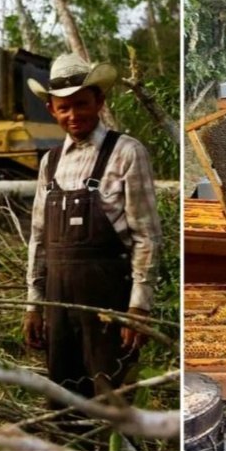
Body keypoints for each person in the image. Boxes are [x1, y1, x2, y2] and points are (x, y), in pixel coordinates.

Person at [22, 53, 161, 403]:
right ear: (51, 110)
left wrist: (138, 308)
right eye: (63, 108)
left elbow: (146, 236)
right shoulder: (49, 163)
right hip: (59, 305)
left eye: (81, 104)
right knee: (64, 401)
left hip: (110, 304)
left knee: (112, 399)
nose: (73, 115)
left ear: (99, 101)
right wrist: (33, 305)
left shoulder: (127, 153)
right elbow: (39, 239)